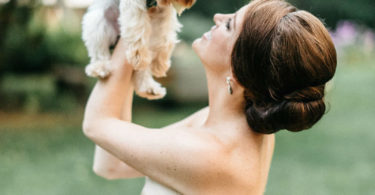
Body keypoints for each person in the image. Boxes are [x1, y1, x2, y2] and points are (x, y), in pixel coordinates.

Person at [82, 0, 337, 194]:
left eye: (229, 25)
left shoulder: (207, 154)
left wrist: (136, 14)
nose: (218, 17)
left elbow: (98, 124)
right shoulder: (228, 125)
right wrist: (141, 13)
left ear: (238, 70)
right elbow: (112, 164)